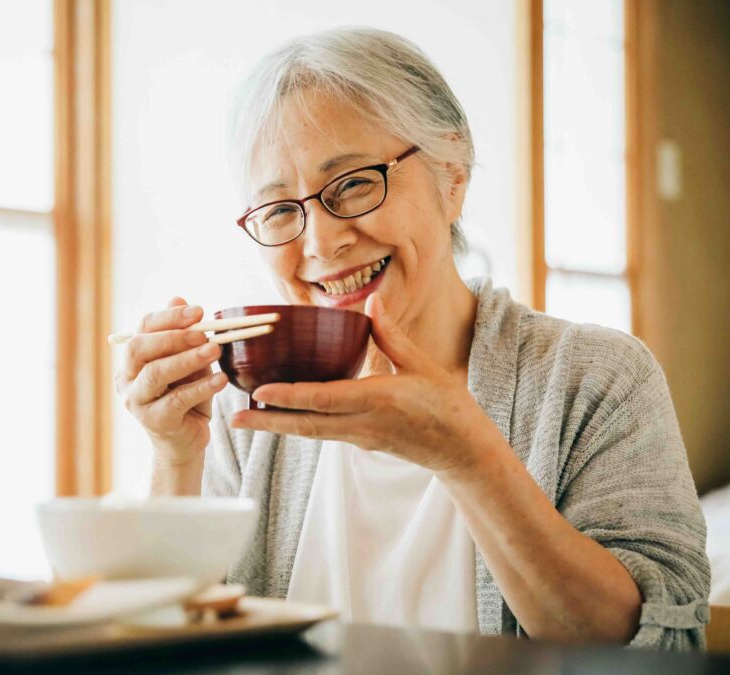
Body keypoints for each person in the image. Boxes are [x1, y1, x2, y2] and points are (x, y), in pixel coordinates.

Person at [114, 27, 709, 649]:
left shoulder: (597, 378)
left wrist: (469, 458)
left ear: (452, 174)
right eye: (283, 210)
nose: (320, 243)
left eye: (352, 184)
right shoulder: (249, 407)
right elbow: (170, 646)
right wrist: (175, 456)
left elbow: (662, 649)